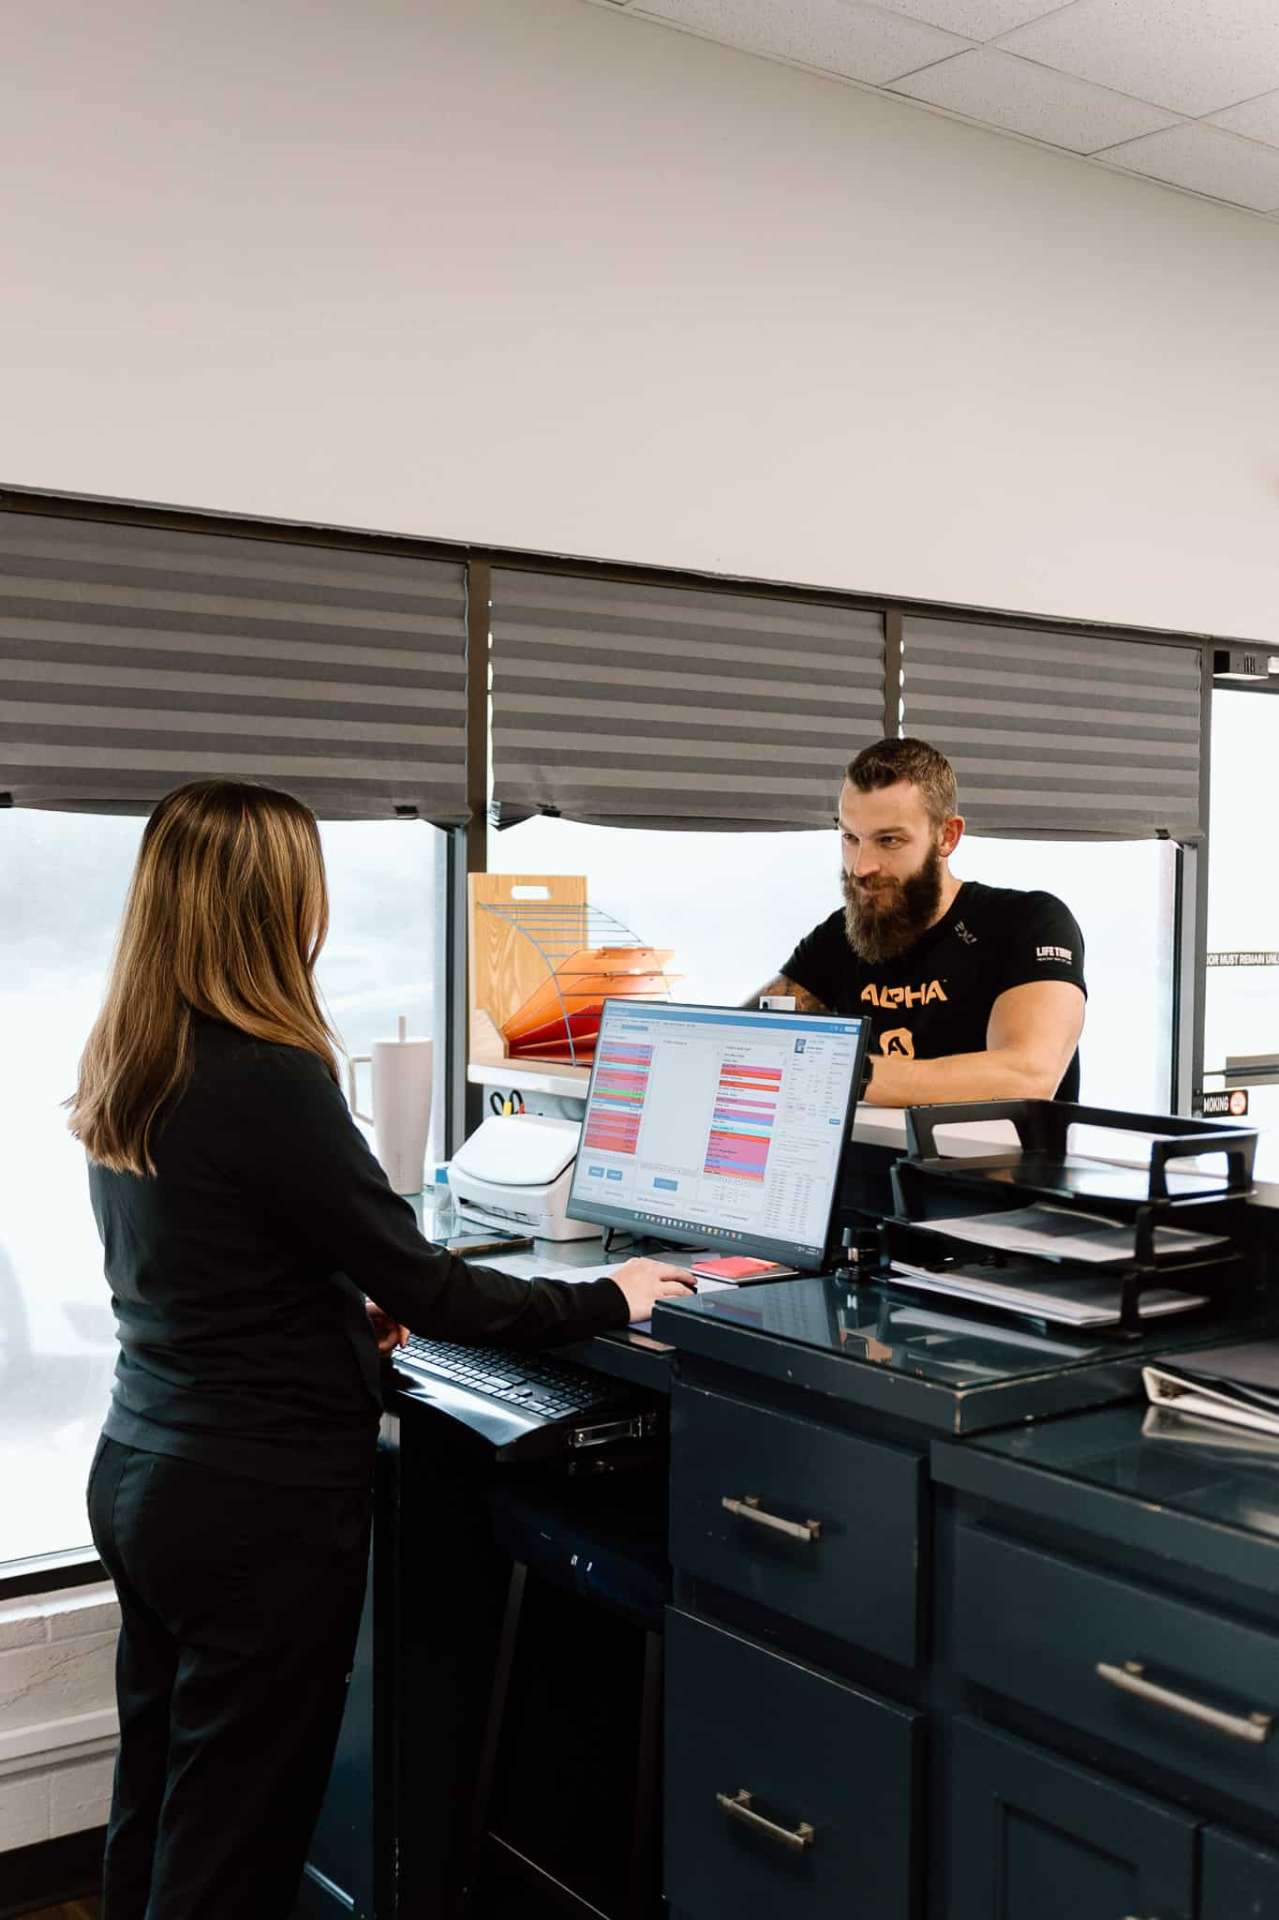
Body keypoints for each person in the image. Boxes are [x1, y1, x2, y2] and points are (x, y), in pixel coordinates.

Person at [69, 779, 693, 1920]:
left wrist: (329, 1314)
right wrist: (608, 1296)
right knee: (235, 1834)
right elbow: (428, 1284)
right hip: (252, 1497)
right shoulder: (265, 1070)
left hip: (144, 1470)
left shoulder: (138, 1055)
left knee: (159, 1791)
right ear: (274, 904)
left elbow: (190, 1264)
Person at [752, 737, 1087, 1104]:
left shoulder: (1029, 921)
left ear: (947, 836)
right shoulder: (840, 934)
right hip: (869, 1162)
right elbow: (745, 1046)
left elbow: (1026, 1075)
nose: (861, 867)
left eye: (889, 840)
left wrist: (838, 1072)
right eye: (850, 837)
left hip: (987, 1162)